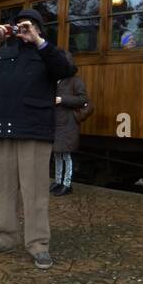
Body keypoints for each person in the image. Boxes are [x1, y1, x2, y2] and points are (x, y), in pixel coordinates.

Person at [0, 4, 74, 267]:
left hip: (33, 128)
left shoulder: (47, 51)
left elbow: (66, 70)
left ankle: (38, 243)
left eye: (29, 25)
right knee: (0, 188)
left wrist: (37, 40)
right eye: (18, 25)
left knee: (34, 191)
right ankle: (4, 237)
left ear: (38, 29)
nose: (22, 29)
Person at [49, 67, 89, 195]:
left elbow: (83, 99)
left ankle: (67, 184)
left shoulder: (75, 81)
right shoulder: (55, 80)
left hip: (68, 124)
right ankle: (58, 181)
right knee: (57, 154)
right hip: (57, 123)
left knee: (66, 155)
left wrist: (62, 99)